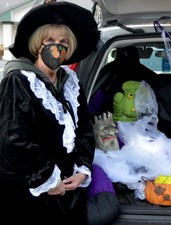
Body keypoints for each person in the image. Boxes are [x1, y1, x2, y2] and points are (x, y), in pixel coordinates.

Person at [0, 2, 99, 225]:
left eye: (63, 42)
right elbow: (13, 141)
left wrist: (82, 168)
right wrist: (48, 178)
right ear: (38, 44)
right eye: (50, 41)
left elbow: (84, 129)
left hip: (69, 191)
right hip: (32, 194)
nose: (57, 47)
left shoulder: (70, 82)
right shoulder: (19, 81)